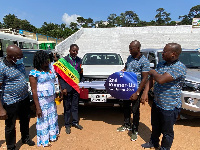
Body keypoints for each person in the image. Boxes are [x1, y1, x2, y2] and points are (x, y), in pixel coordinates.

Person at [141, 43, 186, 150]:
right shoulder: (161, 64)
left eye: (165, 51)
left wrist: (152, 71)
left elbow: (160, 79)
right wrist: (145, 91)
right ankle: (154, 142)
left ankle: (165, 148)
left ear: (173, 54)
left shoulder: (179, 67)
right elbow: (152, 79)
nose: (162, 53)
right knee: (155, 126)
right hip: (157, 103)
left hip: (169, 106)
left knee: (167, 131)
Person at [0, 45, 35, 150]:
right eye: (19, 57)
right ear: (11, 57)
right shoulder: (1, 67)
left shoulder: (19, 63)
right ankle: (11, 146)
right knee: (10, 126)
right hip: (10, 101)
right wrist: (1, 109)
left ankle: (25, 138)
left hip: (24, 98)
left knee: (25, 120)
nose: (21, 59)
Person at [117, 40, 150, 141]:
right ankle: (127, 124)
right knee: (126, 106)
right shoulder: (129, 58)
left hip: (136, 88)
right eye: (129, 48)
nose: (130, 50)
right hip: (127, 86)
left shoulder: (144, 61)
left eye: (131, 48)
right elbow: (126, 67)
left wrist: (138, 92)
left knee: (135, 110)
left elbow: (144, 78)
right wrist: (123, 70)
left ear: (138, 49)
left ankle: (135, 130)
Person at [29, 50, 59, 147]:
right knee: (43, 119)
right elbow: (34, 91)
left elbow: (55, 81)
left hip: (51, 99)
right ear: (39, 61)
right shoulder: (34, 73)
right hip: (42, 101)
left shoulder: (49, 69)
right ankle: (44, 140)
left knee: (52, 117)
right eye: (44, 61)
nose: (47, 62)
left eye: (47, 60)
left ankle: (52, 136)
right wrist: (37, 107)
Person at [54, 44, 83, 134]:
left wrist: (81, 83)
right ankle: (67, 124)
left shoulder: (79, 60)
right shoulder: (63, 61)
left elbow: (81, 73)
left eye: (76, 51)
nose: (75, 52)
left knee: (75, 106)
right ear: (69, 50)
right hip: (67, 87)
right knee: (67, 107)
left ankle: (75, 122)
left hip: (76, 87)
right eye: (73, 51)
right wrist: (63, 88)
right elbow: (60, 76)